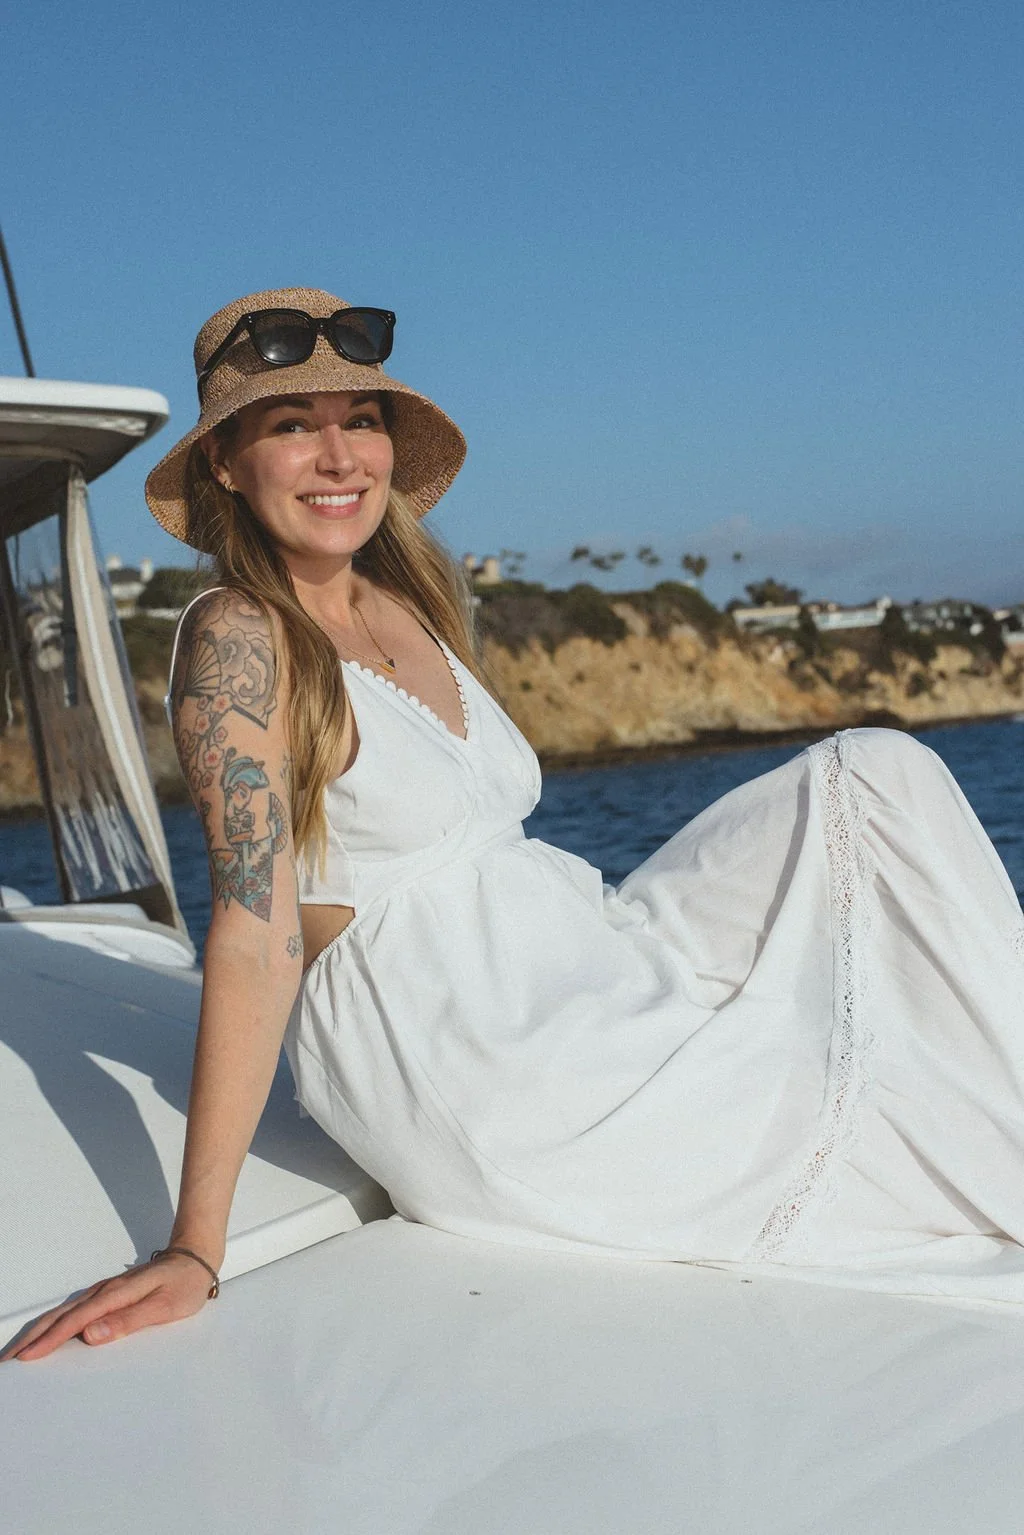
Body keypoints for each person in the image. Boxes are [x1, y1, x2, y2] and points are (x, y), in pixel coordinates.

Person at [8, 288, 1024, 1363]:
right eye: (292, 426)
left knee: (877, 773)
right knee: (862, 1115)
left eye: (361, 419)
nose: (339, 455)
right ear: (225, 462)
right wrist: (193, 1246)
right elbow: (257, 935)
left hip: (579, 950)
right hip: (475, 1047)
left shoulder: (408, 599)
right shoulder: (240, 637)